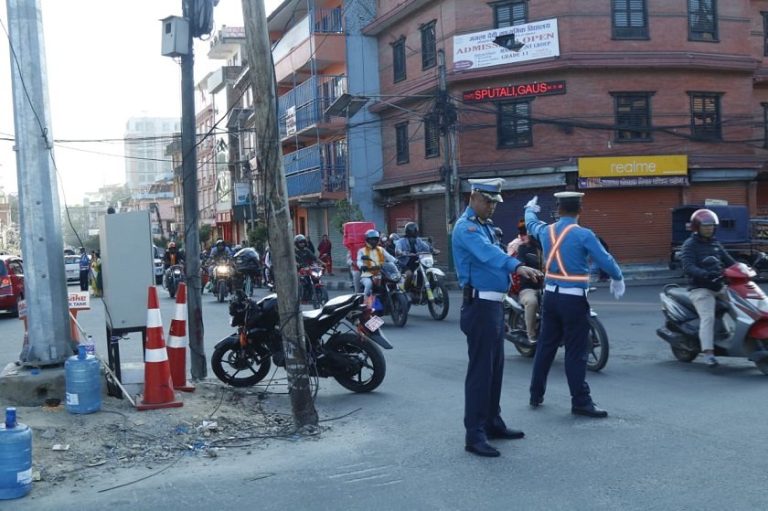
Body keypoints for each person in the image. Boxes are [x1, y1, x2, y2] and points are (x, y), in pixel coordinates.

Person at [452, 178, 542, 458]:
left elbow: (497, 254)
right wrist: (518, 266)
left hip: (492, 306)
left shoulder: (487, 227)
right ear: (473, 196)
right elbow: (489, 255)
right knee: (480, 373)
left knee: (495, 371)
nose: (492, 207)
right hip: (478, 307)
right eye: (488, 201)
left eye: (495, 202)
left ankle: (492, 422)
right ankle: (474, 434)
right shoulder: (466, 228)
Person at [525, 191, 624, 419]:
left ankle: (535, 394)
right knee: (576, 352)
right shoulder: (584, 234)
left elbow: (531, 224)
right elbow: (604, 259)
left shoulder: (546, 231)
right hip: (573, 299)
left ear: (558, 210)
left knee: (545, 347)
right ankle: (580, 401)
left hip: (550, 297)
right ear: (580, 210)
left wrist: (529, 209)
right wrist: (617, 277)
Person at [680, 208, 735, 368]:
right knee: (708, 317)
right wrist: (704, 274)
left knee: (743, 307)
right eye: (705, 226)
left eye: (711, 225)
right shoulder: (689, 245)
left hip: (719, 285)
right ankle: (709, 353)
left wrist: (746, 268)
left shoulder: (715, 243)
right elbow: (688, 266)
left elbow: (730, 262)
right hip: (701, 288)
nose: (709, 228)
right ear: (697, 227)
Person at [356, 229, 397, 308]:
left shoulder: (381, 249)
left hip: (381, 272)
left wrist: (396, 261)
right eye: (372, 240)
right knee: (368, 284)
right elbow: (359, 261)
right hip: (367, 274)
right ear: (367, 240)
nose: (374, 241)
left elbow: (389, 257)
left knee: (393, 281)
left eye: (375, 239)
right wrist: (362, 266)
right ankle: (365, 304)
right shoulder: (362, 251)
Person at [515, 235, 543, 345]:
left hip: (547, 287)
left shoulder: (547, 247)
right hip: (528, 288)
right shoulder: (523, 248)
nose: (523, 236)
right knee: (532, 302)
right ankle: (531, 335)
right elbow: (519, 263)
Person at [395, 222, 432, 288]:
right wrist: (402, 253)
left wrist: (432, 250)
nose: (416, 231)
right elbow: (398, 250)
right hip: (405, 264)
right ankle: (404, 291)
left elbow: (426, 247)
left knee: (424, 272)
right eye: (415, 230)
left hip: (418, 263)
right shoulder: (400, 241)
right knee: (409, 275)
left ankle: (419, 288)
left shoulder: (418, 240)